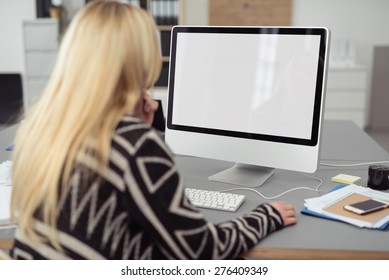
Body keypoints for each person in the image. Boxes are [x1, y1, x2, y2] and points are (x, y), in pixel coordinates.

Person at [10, 0, 296, 260]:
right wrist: (264, 217)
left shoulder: (41, 129)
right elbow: (201, 250)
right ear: (141, 57)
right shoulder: (135, 146)